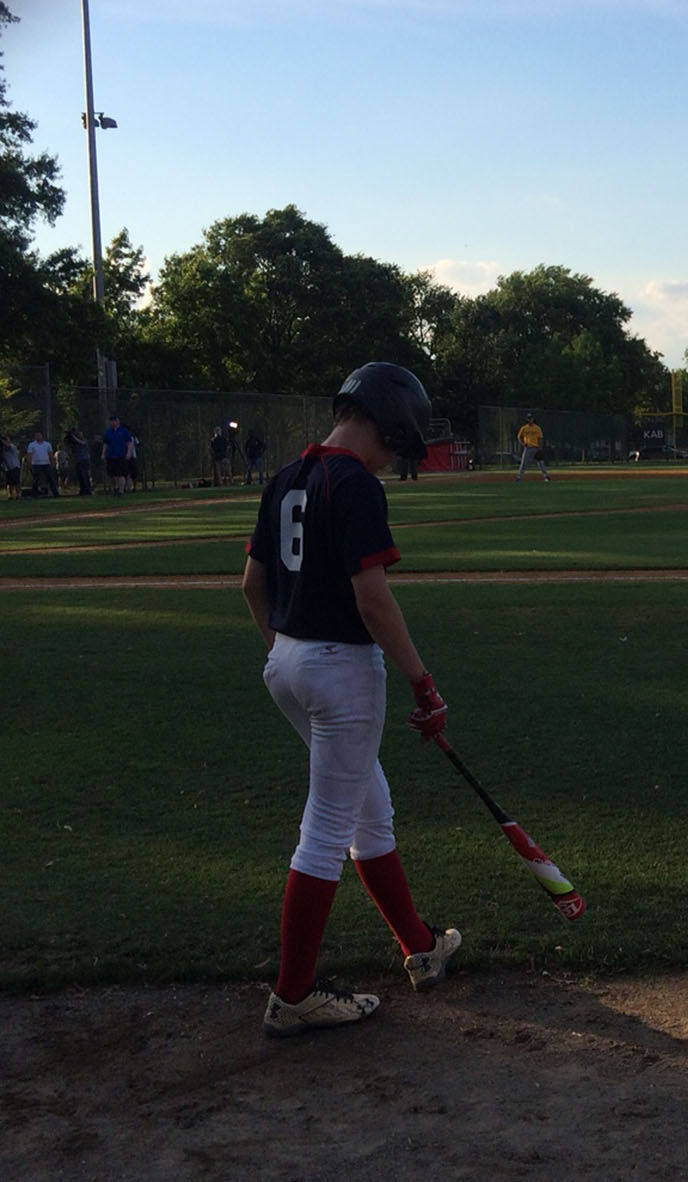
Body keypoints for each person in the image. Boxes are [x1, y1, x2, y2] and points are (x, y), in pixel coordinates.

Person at [242, 362, 460, 1036]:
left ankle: (420, 946)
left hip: (287, 663)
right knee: (328, 829)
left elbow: (251, 585)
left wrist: (285, 649)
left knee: (370, 807)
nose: (396, 456)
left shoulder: (286, 476)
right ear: (388, 423)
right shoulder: (355, 482)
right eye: (400, 440)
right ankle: (293, 995)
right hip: (340, 672)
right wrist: (424, 682)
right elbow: (373, 601)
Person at [102, 416, 134, 495]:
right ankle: (115, 489)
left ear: (118, 421)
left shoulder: (124, 431)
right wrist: (103, 453)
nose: (113, 422)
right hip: (110, 455)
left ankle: (121, 491)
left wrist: (128, 453)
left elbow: (129, 443)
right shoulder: (108, 432)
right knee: (112, 475)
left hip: (121, 455)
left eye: (115, 421)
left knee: (121, 474)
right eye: (112, 421)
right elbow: (105, 444)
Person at [516, 415, 550, 482]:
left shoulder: (537, 428)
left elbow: (540, 438)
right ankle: (519, 477)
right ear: (527, 419)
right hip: (527, 448)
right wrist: (522, 443)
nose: (530, 420)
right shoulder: (524, 428)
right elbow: (519, 437)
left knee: (540, 463)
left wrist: (540, 448)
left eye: (531, 418)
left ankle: (546, 476)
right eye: (528, 419)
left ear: (533, 419)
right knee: (523, 463)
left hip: (536, 448)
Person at [26, 431, 59, 498]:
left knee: (51, 478)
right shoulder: (31, 445)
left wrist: (52, 462)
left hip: (46, 463)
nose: (38, 436)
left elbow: (50, 454)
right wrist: (29, 464)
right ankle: (34, 494)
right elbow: (29, 455)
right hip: (36, 464)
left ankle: (55, 493)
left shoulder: (47, 444)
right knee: (35, 480)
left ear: (42, 436)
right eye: (36, 435)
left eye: (39, 435)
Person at [63, 426, 94, 495]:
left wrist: (73, 436)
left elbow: (80, 442)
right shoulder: (74, 442)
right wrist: (69, 435)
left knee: (84, 475)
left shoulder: (84, 440)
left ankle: (87, 490)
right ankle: (82, 490)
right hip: (77, 460)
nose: (79, 434)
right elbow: (67, 443)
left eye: (80, 433)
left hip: (84, 460)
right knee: (80, 476)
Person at [1, 434, 20, 501]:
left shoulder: (12, 446)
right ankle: (10, 495)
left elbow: (7, 445)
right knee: (9, 483)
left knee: (16, 482)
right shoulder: (2, 449)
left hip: (15, 466)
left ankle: (18, 494)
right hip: (7, 468)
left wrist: (2, 440)